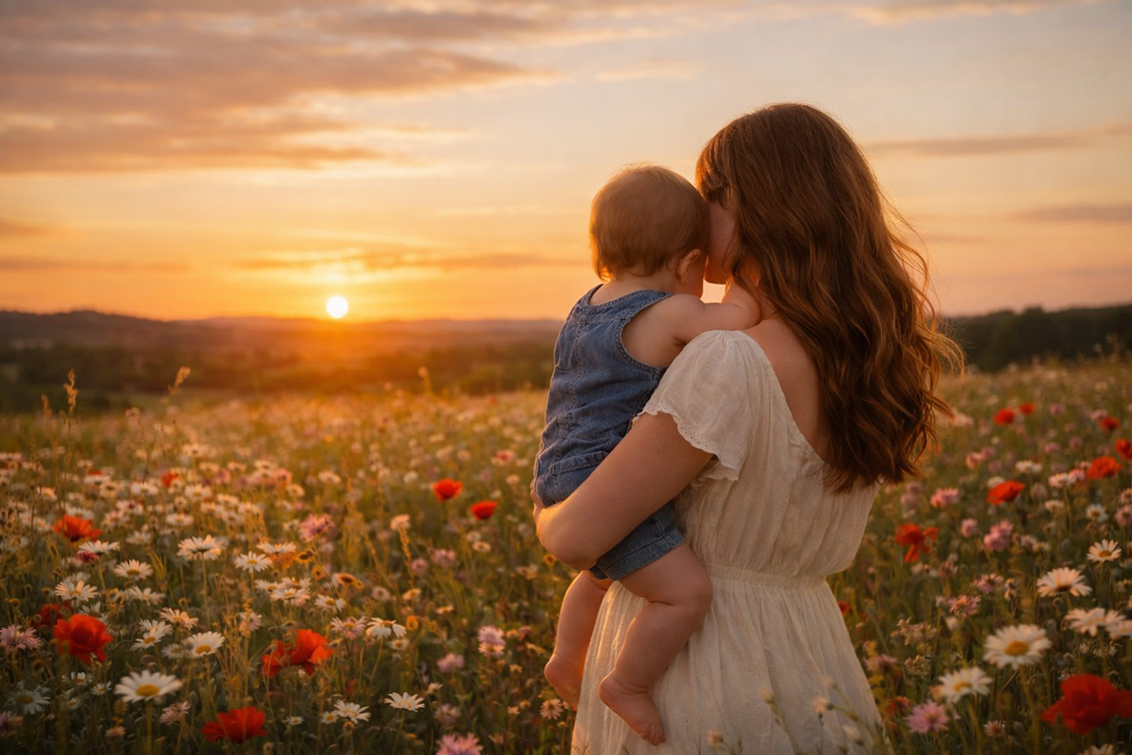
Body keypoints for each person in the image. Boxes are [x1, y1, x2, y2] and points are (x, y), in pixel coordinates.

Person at [535, 103, 957, 753]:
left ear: (758, 205)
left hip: (700, 682)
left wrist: (546, 513)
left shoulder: (728, 358)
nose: (697, 213)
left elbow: (580, 535)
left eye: (710, 194)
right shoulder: (864, 364)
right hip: (816, 662)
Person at [534, 164, 759, 745]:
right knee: (685, 593)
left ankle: (566, 655)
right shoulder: (672, 311)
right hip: (607, 467)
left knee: (605, 572)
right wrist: (742, 281)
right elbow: (738, 320)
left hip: (559, 469)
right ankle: (627, 683)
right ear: (688, 264)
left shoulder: (585, 308)